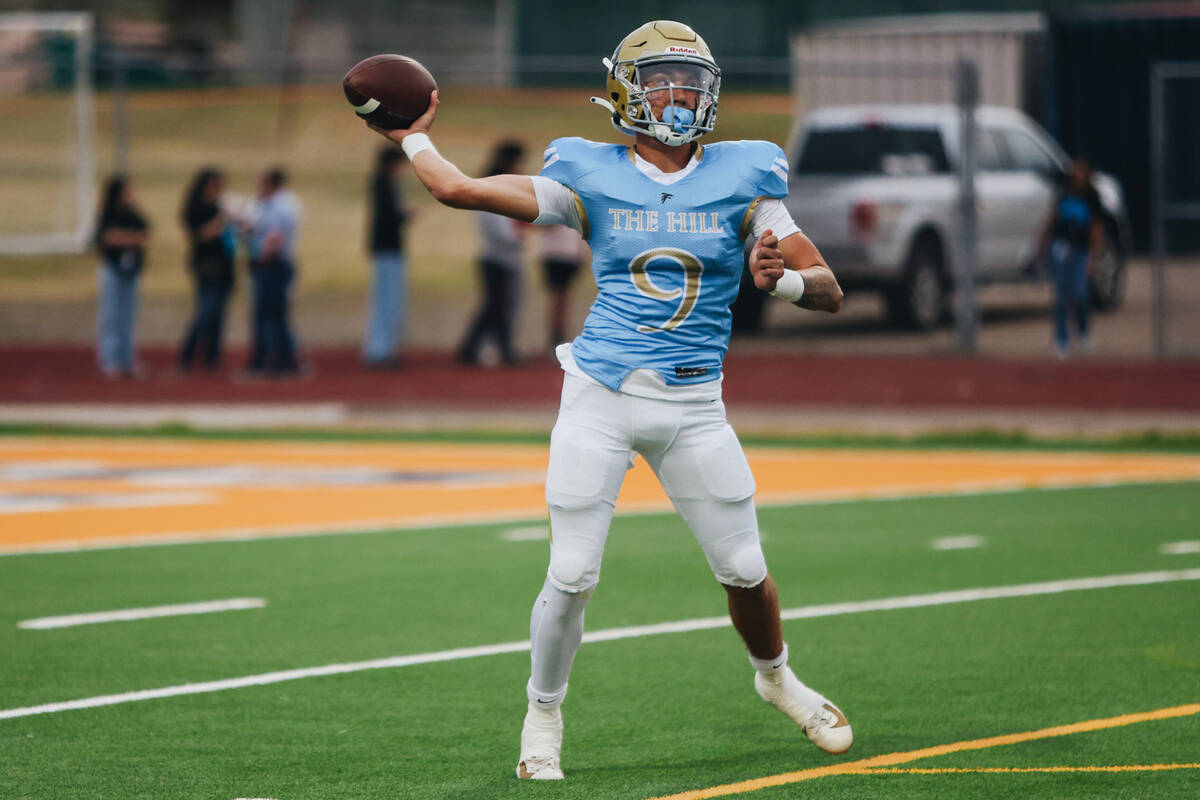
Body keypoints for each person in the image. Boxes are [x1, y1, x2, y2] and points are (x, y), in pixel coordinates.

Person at [369, 20, 850, 781]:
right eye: (662, 81)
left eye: (690, 82)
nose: (679, 96)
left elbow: (827, 287)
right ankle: (542, 715)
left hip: (695, 406)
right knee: (571, 573)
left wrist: (782, 281)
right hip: (600, 394)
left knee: (746, 569)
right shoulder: (586, 172)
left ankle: (776, 677)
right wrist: (411, 137)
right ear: (628, 92)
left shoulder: (746, 176)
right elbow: (456, 190)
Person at [457, 141, 528, 367]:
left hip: (493, 257)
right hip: (500, 259)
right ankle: (496, 350)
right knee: (498, 307)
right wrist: (520, 235)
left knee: (495, 307)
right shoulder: (497, 190)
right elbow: (503, 230)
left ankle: (478, 348)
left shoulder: (486, 186)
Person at [1036, 157, 1103, 358]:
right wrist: (1042, 241)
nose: (1078, 175)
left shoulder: (1092, 197)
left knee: (1081, 294)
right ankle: (1062, 339)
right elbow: (1052, 216)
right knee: (1061, 295)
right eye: (1076, 171)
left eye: (1082, 171)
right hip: (1061, 248)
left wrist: (1093, 256)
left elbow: (1096, 228)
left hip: (1081, 250)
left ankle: (1083, 331)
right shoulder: (1064, 191)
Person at [244, 166, 302, 376]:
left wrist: (261, 257)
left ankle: (273, 361)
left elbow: (276, 237)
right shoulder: (273, 203)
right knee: (274, 315)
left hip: (273, 264)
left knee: (270, 314)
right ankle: (282, 360)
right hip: (273, 263)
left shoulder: (280, 205)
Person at [177, 167, 236, 372]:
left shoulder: (219, 207)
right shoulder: (197, 208)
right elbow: (201, 234)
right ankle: (187, 354)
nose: (217, 190)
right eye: (214, 186)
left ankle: (212, 357)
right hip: (206, 266)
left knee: (219, 314)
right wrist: (222, 221)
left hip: (225, 266)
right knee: (205, 312)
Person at [94, 174, 150, 379]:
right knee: (110, 316)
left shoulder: (133, 214)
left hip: (130, 270)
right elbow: (107, 238)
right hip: (112, 269)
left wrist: (124, 238)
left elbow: (145, 234)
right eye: (126, 190)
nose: (130, 194)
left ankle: (127, 360)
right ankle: (109, 360)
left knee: (128, 317)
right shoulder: (107, 214)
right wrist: (129, 238)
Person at [363, 146, 410, 368]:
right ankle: (381, 350)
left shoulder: (381, 183)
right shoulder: (385, 184)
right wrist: (404, 216)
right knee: (388, 301)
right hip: (389, 249)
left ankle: (380, 348)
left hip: (385, 248)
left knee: (385, 300)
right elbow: (389, 218)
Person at [539, 223, 586, 353]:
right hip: (555, 253)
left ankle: (559, 337)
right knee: (556, 300)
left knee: (564, 300)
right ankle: (554, 338)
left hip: (570, 254)